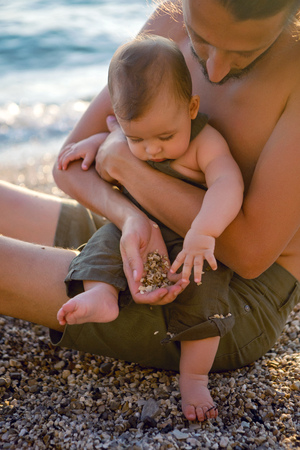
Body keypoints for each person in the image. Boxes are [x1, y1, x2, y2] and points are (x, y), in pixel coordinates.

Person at [1, 0, 300, 423]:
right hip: (147, 222)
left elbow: (250, 254)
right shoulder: (170, 19)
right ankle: (102, 287)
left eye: (246, 56)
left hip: (222, 278)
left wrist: (124, 163)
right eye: (199, 43)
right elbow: (69, 168)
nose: (213, 71)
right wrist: (131, 220)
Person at [55, 35, 244, 420]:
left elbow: (229, 183)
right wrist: (95, 143)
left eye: (164, 137)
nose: (152, 150)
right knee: (104, 241)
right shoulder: (134, 131)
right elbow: (113, 136)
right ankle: (101, 295)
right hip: (142, 225)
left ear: (191, 109)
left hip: (193, 239)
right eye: (136, 139)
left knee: (204, 291)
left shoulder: (204, 142)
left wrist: (204, 232)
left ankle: (194, 378)